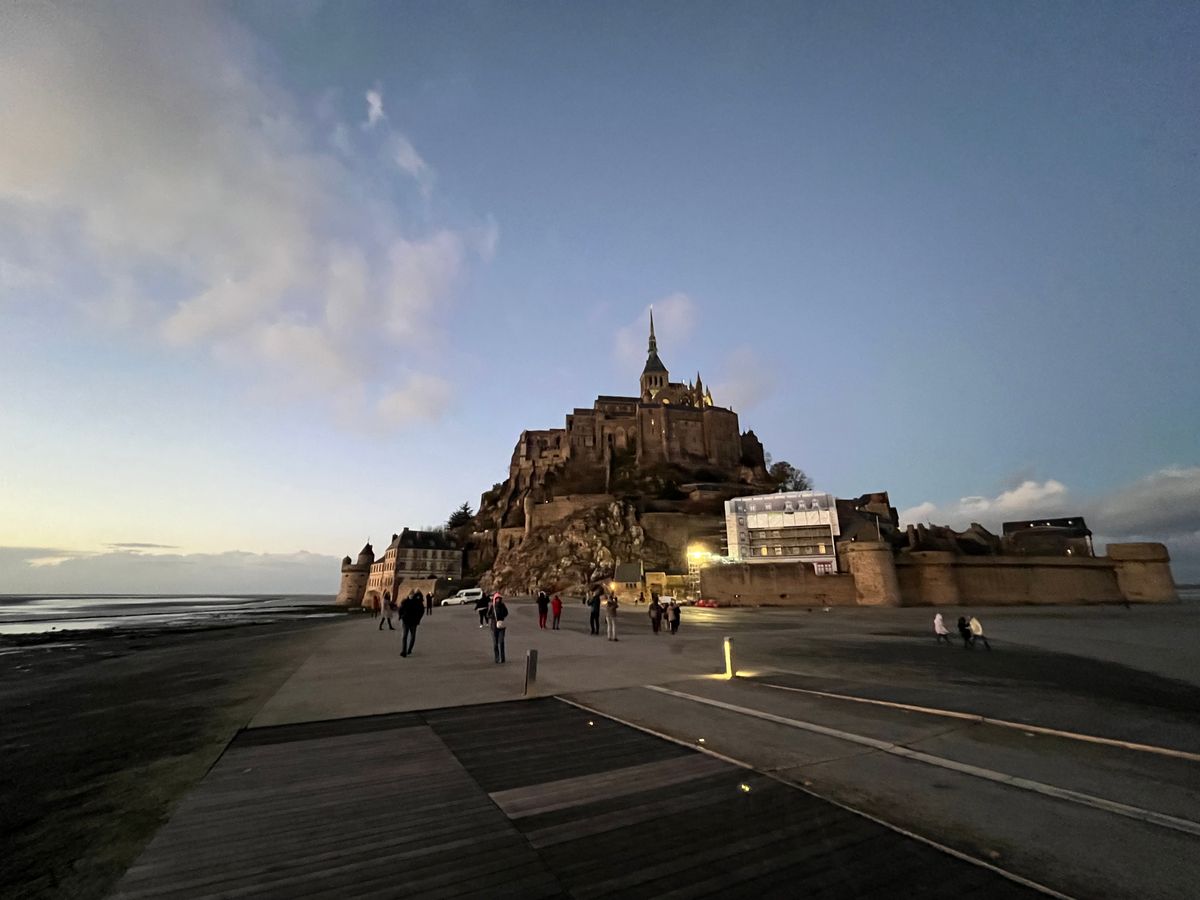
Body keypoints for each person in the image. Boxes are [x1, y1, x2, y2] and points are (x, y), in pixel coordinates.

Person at [399, 590, 425, 657]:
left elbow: (421, 611)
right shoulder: (409, 602)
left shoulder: (414, 602)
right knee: (407, 636)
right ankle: (405, 650)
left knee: (409, 636)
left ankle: (407, 650)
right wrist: (401, 616)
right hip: (408, 621)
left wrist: (401, 616)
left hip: (411, 621)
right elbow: (400, 609)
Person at [488, 592, 508, 663]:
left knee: (501, 642)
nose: (498, 600)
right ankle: (497, 658)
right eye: (497, 599)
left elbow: (506, 613)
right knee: (495, 643)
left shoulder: (503, 605)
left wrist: (501, 616)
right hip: (493, 627)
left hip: (501, 626)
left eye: (499, 598)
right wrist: (493, 617)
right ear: (494, 599)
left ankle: (502, 658)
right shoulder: (492, 606)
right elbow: (488, 615)